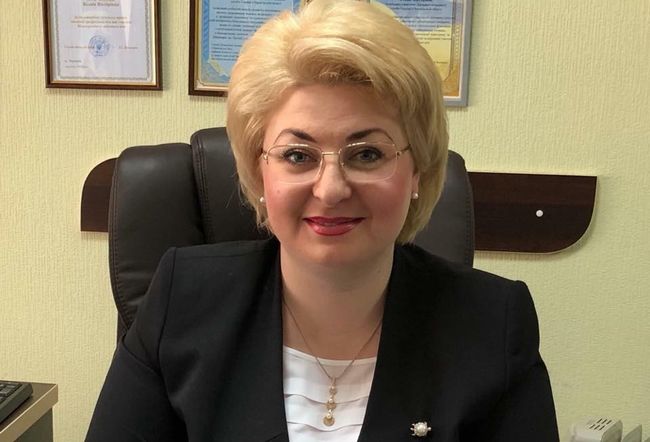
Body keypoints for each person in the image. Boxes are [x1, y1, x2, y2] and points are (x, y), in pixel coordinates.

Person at [87, 0, 559, 440]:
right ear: (259, 170)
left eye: (367, 154)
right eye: (297, 155)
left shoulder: (493, 324)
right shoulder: (182, 300)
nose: (330, 189)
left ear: (418, 170)